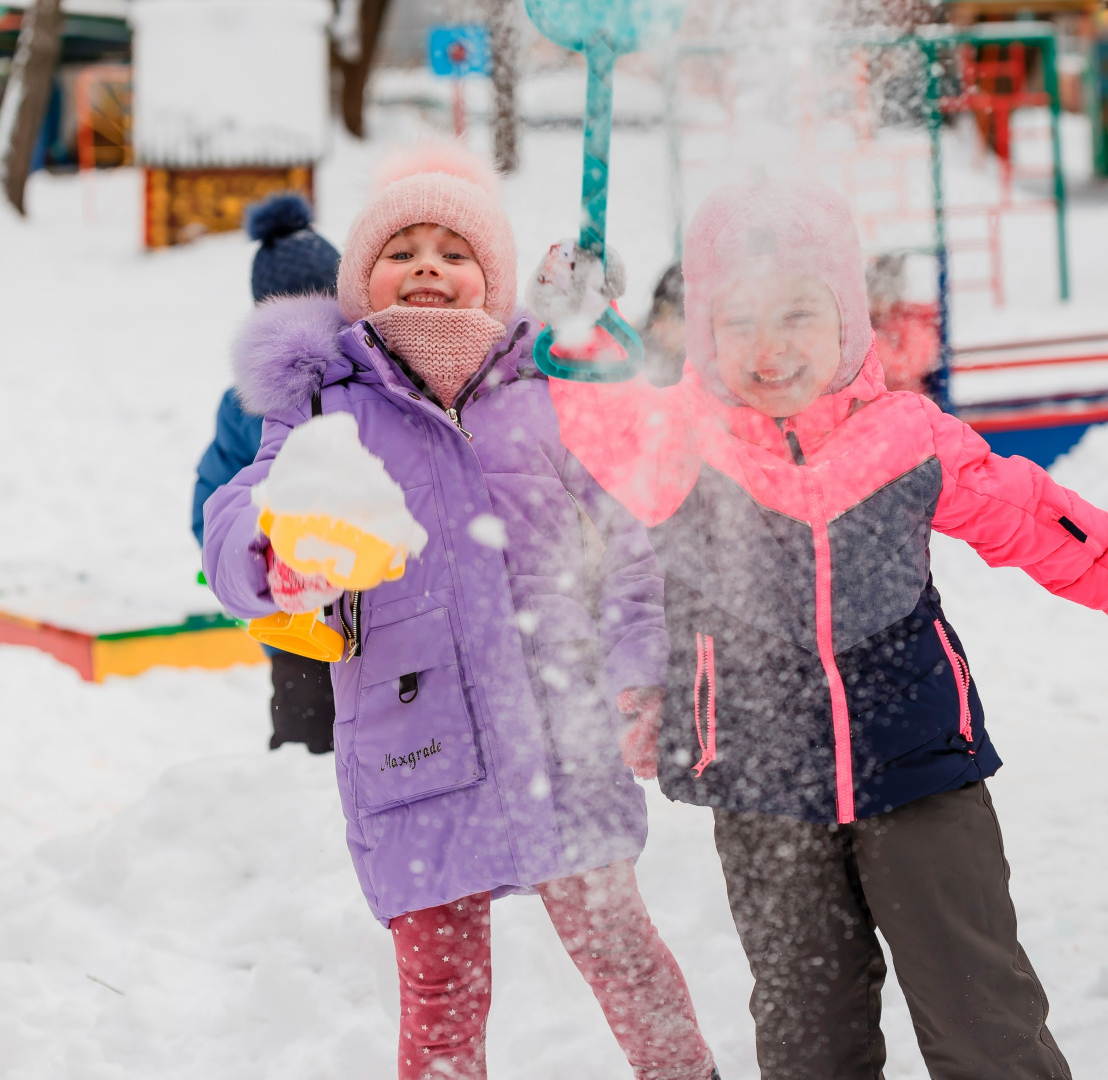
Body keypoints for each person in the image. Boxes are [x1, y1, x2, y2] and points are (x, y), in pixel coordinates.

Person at [530, 178, 1108, 1080]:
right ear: (702, 335)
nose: (770, 349)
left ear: (849, 318)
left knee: (981, 1008)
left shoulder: (907, 438)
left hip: (920, 764)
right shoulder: (682, 446)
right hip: (763, 783)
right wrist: (580, 328)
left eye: (799, 315)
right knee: (810, 1031)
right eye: (737, 323)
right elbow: (605, 417)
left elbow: (1036, 516)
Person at [201, 146, 716, 1080]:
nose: (429, 266)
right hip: (415, 746)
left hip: (562, 737)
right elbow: (240, 509)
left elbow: (625, 559)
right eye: (401, 250)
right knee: (441, 996)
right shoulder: (326, 409)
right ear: (360, 282)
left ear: (494, 280)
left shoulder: (544, 400)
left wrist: (640, 676)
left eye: (453, 249)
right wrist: (273, 556)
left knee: (623, 955)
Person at [193, 192, 342, 755]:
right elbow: (212, 498)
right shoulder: (248, 405)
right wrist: (242, 559)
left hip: (364, 607)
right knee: (307, 743)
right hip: (295, 621)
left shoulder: (370, 379)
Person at [865, 253, 940, 395]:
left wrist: (870, 341)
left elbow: (903, 369)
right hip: (883, 402)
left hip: (905, 403)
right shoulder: (879, 324)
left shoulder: (910, 325)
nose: (871, 305)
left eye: (876, 297)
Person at [641, 262, 686, 387]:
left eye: (675, 317)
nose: (659, 328)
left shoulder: (712, 377)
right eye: (658, 315)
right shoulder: (640, 357)